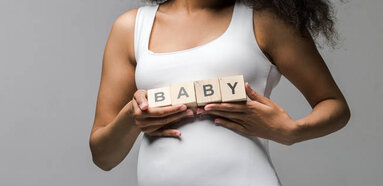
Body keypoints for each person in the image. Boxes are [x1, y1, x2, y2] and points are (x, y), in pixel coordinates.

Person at [89, 0, 350, 185]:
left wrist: (291, 131)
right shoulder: (132, 28)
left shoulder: (264, 20)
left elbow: (334, 105)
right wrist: (132, 119)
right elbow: (103, 156)